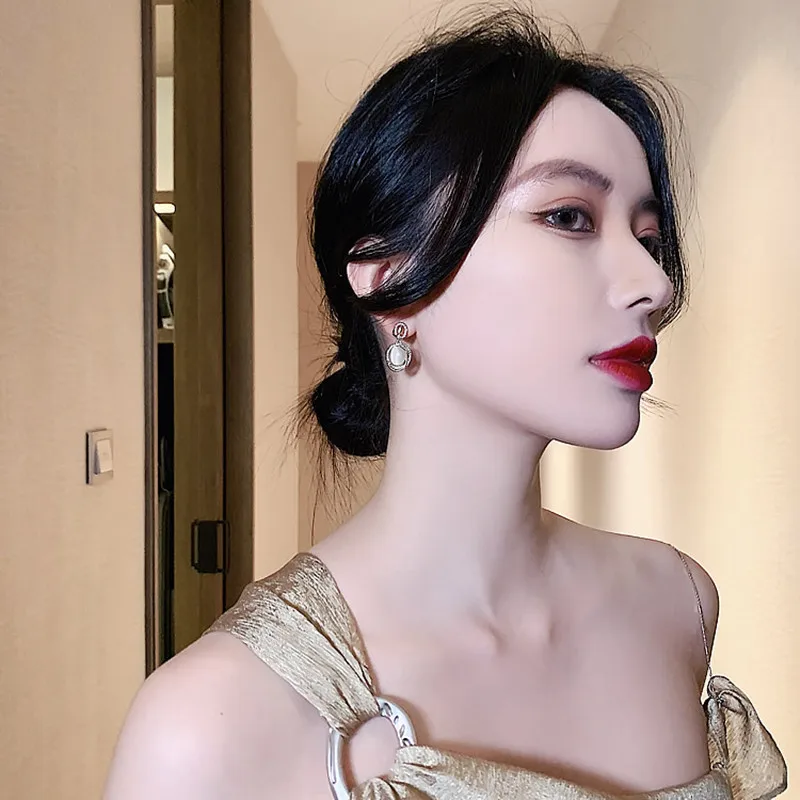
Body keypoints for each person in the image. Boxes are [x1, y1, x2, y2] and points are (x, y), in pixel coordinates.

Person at [104, 9, 787, 800]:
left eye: (648, 237)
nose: (655, 285)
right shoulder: (211, 723)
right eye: (569, 216)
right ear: (387, 274)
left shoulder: (677, 600)